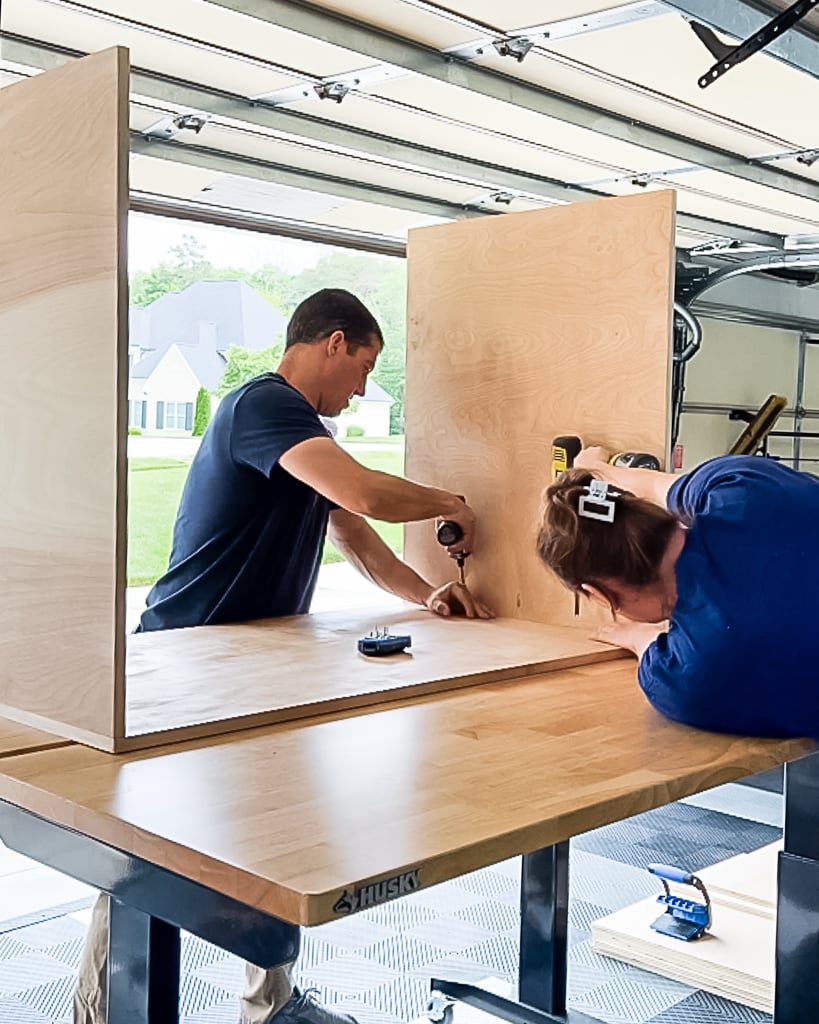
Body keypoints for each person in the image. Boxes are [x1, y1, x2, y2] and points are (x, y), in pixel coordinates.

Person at [74, 288, 493, 1024]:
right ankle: (102, 1011)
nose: (362, 388)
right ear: (332, 342)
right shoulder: (263, 406)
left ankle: (269, 1005)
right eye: (362, 366)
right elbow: (364, 493)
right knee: (143, 853)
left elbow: (356, 540)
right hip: (190, 653)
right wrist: (450, 501)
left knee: (277, 831)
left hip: (260, 662)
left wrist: (429, 594)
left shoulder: (301, 440)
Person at [536, 446, 819, 740]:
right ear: (644, 514)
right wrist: (601, 471)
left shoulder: (689, 673)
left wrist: (631, 635)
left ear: (600, 594)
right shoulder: (739, 482)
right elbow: (654, 484)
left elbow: (648, 647)